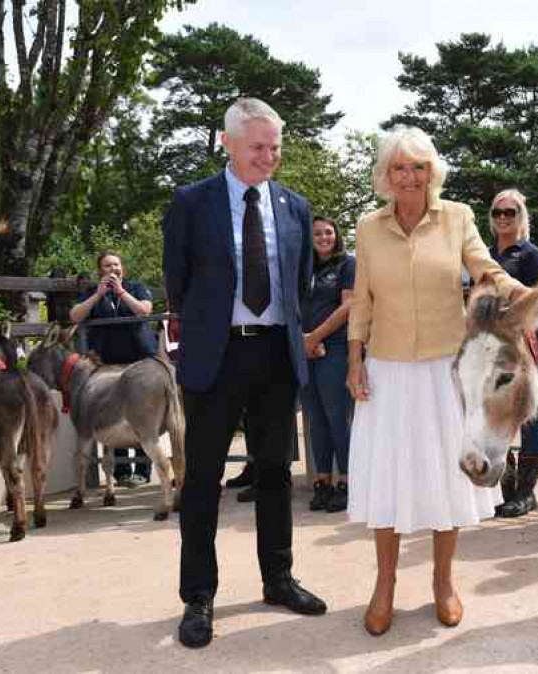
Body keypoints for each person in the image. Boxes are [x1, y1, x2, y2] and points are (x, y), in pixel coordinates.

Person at [346, 126, 526, 636]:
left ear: (432, 172)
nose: (409, 176)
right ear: (386, 174)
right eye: (400, 167)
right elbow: (363, 301)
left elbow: (487, 271)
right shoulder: (367, 227)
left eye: (419, 166)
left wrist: (528, 294)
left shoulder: (458, 218)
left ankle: (443, 583)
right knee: (389, 477)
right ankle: (385, 585)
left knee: (448, 478)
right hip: (386, 368)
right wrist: (354, 359)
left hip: (446, 372)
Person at [163, 97, 326, 649]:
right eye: (257, 146)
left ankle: (278, 579)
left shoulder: (296, 206)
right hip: (216, 356)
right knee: (203, 479)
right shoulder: (191, 203)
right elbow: (177, 282)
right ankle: (198, 597)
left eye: (275, 147)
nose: (269, 156)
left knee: (276, 473)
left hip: (276, 357)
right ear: (228, 143)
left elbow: (299, 285)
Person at [69, 251, 157, 488]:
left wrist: (120, 292)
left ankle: (142, 470)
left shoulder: (135, 287)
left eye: (116, 264)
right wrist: (98, 295)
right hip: (107, 366)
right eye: (107, 265)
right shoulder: (92, 292)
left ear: (123, 268)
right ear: (100, 270)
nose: (112, 269)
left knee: (141, 415)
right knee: (114, 415)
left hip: (139, 361)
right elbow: (75, 315)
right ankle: (121, 472)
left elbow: (144, 310)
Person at [487, 189, 538, 518]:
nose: (503, 218)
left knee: (528, 418)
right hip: (489, 347)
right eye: (497, 213)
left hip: (522, 343)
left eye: (510, 212)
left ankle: (526, 491)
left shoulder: (531, 255)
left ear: (520, 215)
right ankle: (505, 488)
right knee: (497, 415)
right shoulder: (482, 255)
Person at [301, 216, 355, 512]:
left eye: (328, 232)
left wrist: (316, 337)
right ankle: (323, 480)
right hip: (306, 349)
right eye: (317, 233)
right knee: (315, 420)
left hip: (334, 348)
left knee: (338, 418)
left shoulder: (347, 265)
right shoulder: (304, 268)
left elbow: (348, 306)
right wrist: (302, 340)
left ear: (336, 235)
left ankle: (346, 481)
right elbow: (292, 305)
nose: (323, 237)